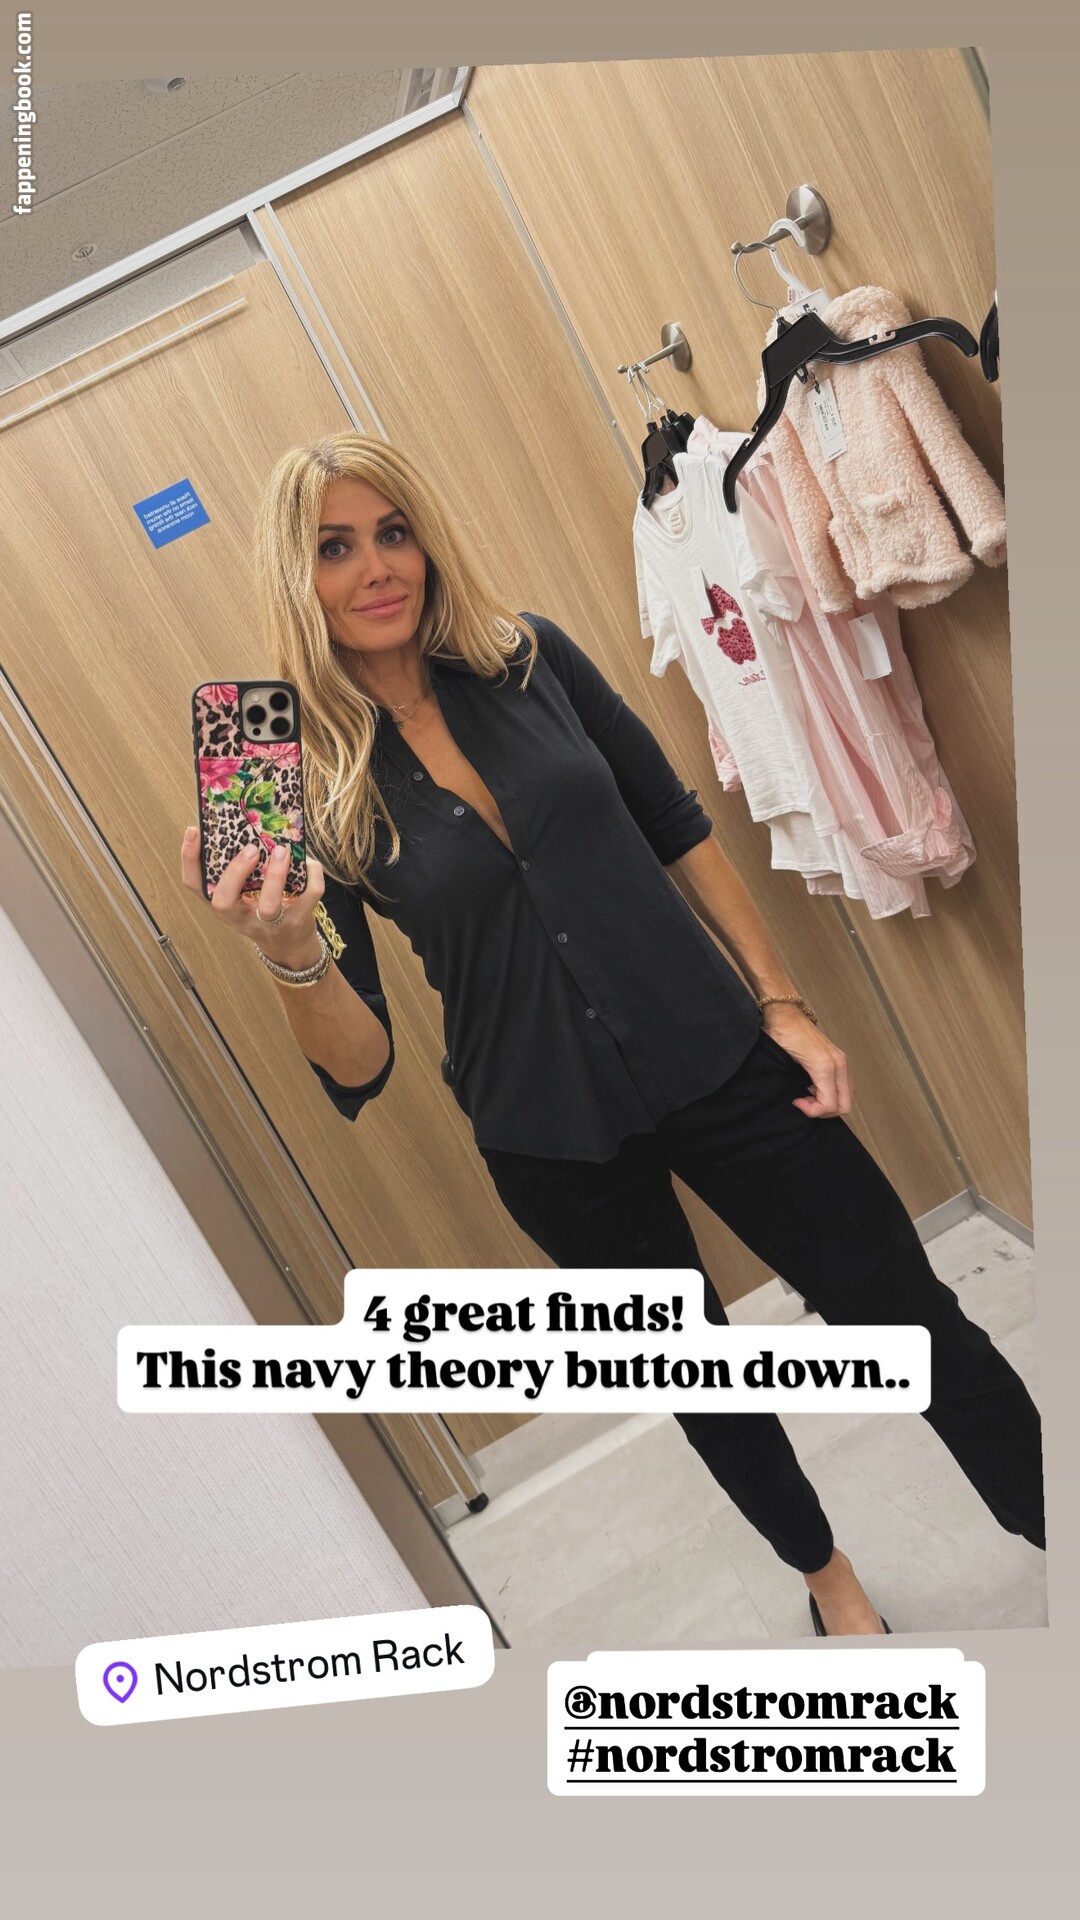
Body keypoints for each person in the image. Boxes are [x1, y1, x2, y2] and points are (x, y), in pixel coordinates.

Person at [180, 432, 1045, 1637]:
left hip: (718, 1057)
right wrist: (286, 948)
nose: (377, 567)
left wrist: (782, 1002)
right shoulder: (312, 786)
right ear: (295, 574)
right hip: (551, 1135)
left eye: (394, 532)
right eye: (334, 547)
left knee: (905, 1314)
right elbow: (360, 1064)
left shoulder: (531, 660)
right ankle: (826, 1577)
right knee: (704, 1382)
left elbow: (674, 822)